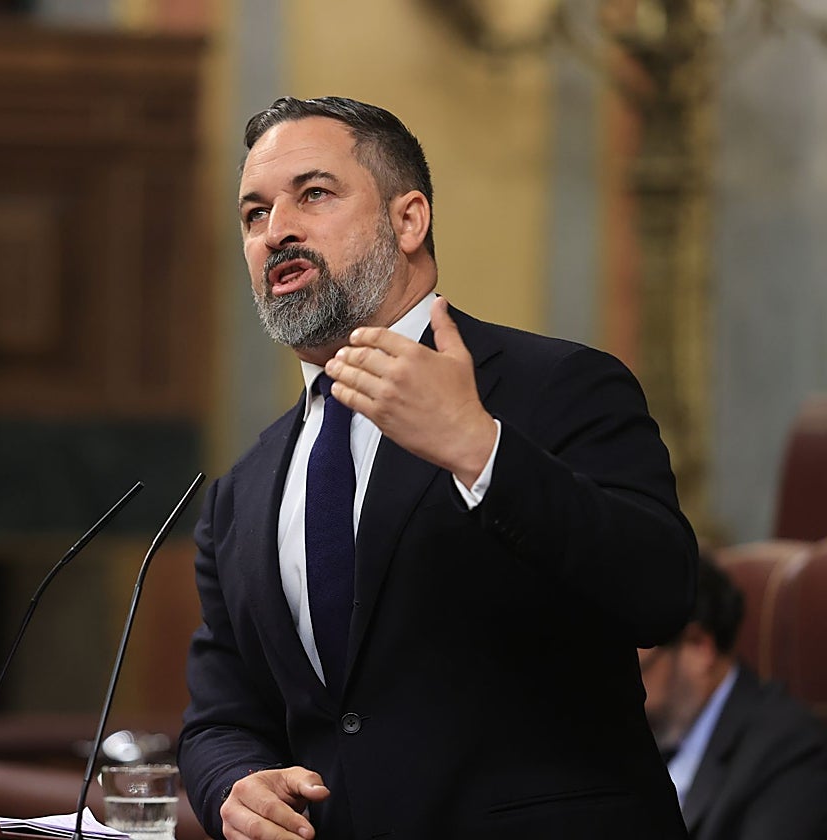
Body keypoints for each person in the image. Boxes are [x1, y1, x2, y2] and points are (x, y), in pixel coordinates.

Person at [177, 95, 697, 840]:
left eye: (313, 194)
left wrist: (480, 449)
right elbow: (221, 717)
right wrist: (233, 783)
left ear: (409, 218)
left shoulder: (557, 385)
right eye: (254, 214)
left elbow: (661, 591)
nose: (276, 230)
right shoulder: (241, 492)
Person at [640, 554, 827, 839]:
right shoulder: (634, 740)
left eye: (636, 668)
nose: (616, 685)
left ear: (699, 647)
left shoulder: (791, 751)